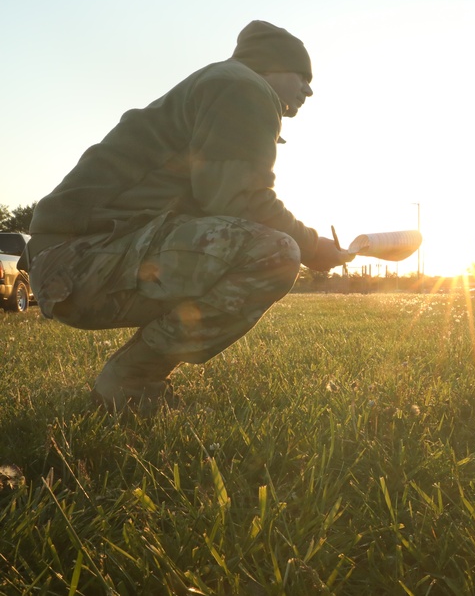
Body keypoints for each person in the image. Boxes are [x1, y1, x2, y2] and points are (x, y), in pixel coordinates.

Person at [22, 20, 355, 412]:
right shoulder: (242, 86)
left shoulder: (223, 85)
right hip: (79, 259)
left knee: (253, 243)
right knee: (273, 252)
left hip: (74, 258)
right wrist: (314, 246)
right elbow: (240, 201)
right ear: (270, 66)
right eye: (302, 75)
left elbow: (221, 204)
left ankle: (133, 378)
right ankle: (131, 380)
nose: (309, 89)